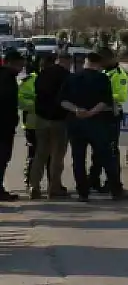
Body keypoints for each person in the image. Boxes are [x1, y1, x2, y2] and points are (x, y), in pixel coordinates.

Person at [60, 52, 128, 202]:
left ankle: (83, 193)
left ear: (86, 62)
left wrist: (77, 110)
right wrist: (91, 112)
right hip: (97, 122)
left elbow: (62, 101)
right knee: (106, 157)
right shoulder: (102, 78)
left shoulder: (72, 78)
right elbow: (105, 101)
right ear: (98, 64)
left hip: (76, 123)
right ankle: (116, 190)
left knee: (78, 158)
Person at [28, 51, 72, 200]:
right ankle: (54, 188)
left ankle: (34, 186)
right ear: (67, 62)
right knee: (57, 156)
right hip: (59, 120)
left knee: (40, 154)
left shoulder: (42, 74)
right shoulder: (67, 77)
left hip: (41, 119)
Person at [88, 49, 128, 194]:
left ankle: (112, 181)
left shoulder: (119, 75)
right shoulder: (101, 72)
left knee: (111, 150)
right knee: (97, 150)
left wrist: (102, 96)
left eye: (103, 59)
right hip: (97, 114)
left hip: (111, 115)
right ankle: (93, 179)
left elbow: (121, 96)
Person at [0, 49, 26, 201]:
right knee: (2, 157)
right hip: (3, 127)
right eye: (19, 65)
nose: (21, 69)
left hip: (5, 125)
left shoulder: (7, 77)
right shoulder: (6, 78)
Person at [19, 53, 44, 192]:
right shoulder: (27, 81)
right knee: (33, 154)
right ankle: (29, 180)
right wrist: (37, 105)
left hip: (47, 122)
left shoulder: (52, 80)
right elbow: (20, 101)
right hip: (32, 124)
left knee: (50, 155)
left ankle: (53, 184)